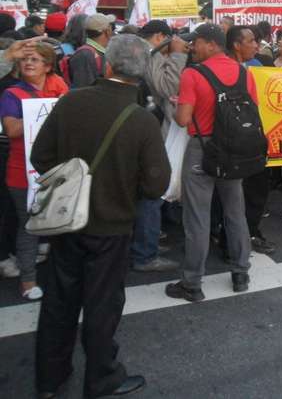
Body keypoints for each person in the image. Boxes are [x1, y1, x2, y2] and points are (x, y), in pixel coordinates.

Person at [32, 35, 171, 399]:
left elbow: (40, 157)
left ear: (107, 65)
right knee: (102, 306)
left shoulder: (70, 102)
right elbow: (157, 185)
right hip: (112, 226)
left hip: (65, 222)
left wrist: (73, 180)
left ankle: (49, 379)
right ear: (141, 75)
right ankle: (101, 379)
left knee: (59, 301)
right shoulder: (142, 120)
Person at [165, 24, 255, 303]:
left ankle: (192, 283)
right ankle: (240, 272)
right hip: (236, 150)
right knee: (234, 211)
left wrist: (178, 103)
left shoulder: (192, 74)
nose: (192, 47)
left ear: (211, 44)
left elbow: (182, 120)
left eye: (197, 43)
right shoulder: (244, 72)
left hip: (202, 149)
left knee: (197, 217)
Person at [0, 42, 68, 300]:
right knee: (29, 226)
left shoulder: (59, 87)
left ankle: (59, 277)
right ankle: (28, 281)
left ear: (48, 66)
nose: (28, 63)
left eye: (35, 60)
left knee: (59, 224)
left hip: (56, 168)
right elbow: (12, 130)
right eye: (25, 60)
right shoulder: (12, 94)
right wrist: (47, 113)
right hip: (22, 172)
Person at [130, 20, 189, 273]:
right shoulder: (149, 54)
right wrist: (176, 55)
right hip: (151, 136)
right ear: (160, 36)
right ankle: (145, 253)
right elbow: (168, 87)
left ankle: (147, 242)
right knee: (152, 194)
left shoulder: (143, 53)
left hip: (148, 131)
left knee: (152, 194)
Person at [225, 25, 277, 253]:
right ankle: (232, 242)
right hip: (232, 144)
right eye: (251, 41)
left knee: (256, 191)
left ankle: (250, 232)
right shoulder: (224, 71)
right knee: (233, 195)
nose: (257, 45)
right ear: (236, 45)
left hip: (254, 141)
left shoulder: (257, 67)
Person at [67, 13, 115, 88]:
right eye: (111, 27)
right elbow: (84, 91)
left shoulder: (92, 53)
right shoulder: (85, 55)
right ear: (107, 31)